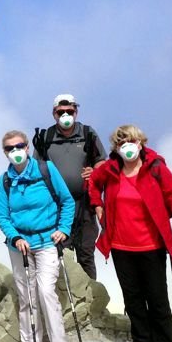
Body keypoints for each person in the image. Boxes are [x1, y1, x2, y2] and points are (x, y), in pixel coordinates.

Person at [88, 125, 172, 342]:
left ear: (141, 143)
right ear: (116, 148)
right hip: (120, 244)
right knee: (133, 295)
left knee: (157, 297)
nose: (127, 146)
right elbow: (93, 184)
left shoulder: (156, 168)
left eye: (132, 141)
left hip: (151, 244)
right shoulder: (110, 169)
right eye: (122, 143)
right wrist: (97, 205)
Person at [0, 130, 76, 342]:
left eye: (19, 146)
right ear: (5, 152)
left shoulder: (45, 169)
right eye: (10, 148)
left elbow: (67, 201)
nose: (16, 151)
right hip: (20, 246)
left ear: (28, 147)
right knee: (26, 298)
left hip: (47, 242)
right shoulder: (5, 180)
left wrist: (63, 229)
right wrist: (15, 237)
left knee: (46, 293)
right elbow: (2, 215)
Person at [32, 94, 106, 279]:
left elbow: (102, 163)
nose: (66, 115)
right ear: (54, 114)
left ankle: (90, 300)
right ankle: (64, 300)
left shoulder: (88, 133)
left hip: (85, 204)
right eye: (61, 112)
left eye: (69, 111)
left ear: (76, 112)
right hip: (56, 206)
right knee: (60, 253)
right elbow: (35, 168)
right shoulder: (45, 137)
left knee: (86, 253)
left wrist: (95, 172)